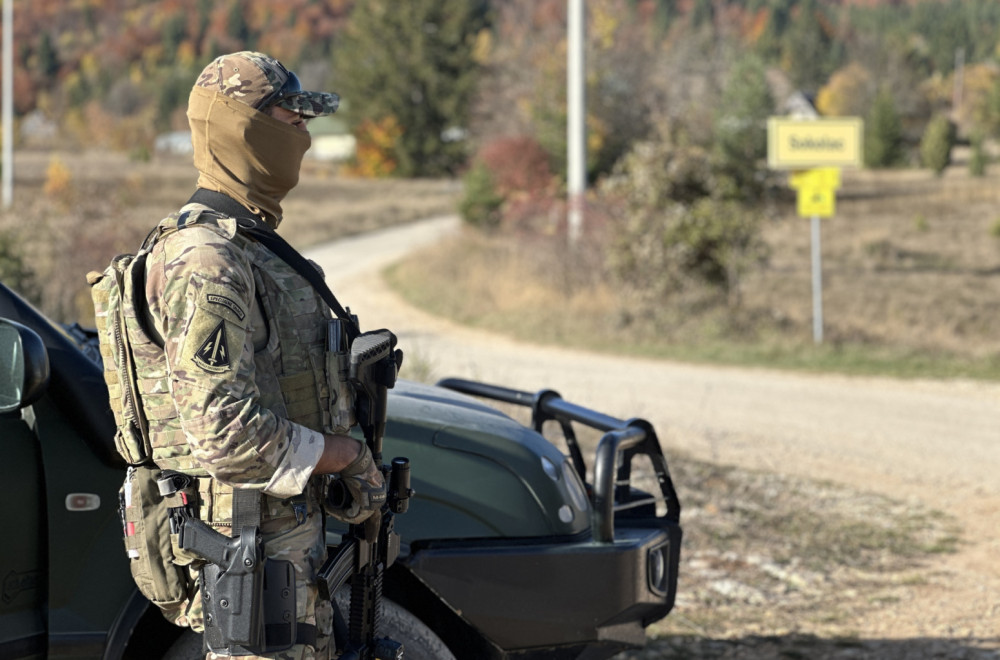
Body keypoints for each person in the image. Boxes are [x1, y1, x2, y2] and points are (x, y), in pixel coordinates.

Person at [136, 51, 384, 659]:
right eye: (290, 116)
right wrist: (345, 456)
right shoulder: (207, 260)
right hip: (252, 552)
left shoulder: (253, 247)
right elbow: (223, 430)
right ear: (237, 125)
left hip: (282, 546)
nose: (304, 133)